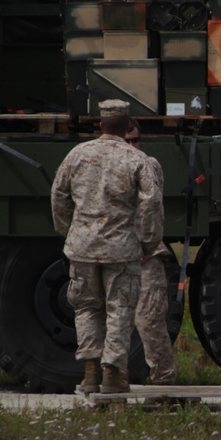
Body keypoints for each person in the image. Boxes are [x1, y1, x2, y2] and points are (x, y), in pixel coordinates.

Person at [51, 99, 163, 394]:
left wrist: (69, 232)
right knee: (120, 310)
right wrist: (148, 242)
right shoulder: (137, 160)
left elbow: (58, 195)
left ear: (100, 125)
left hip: (82, 247)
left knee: (86, 308)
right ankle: (113, 374)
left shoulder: (77, 155)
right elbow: (152, 204)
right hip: (122, 249)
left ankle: (89, 372)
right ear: (128, 127)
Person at [125, 119, 177, 385]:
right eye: (127, 141)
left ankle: (163, 384)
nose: (134, 146)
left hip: (146, 257)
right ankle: (111, 381)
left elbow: (152, 208)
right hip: (117, 256)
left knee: (150, 321)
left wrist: (146, 244)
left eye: (136, 140)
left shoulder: (148, 165)